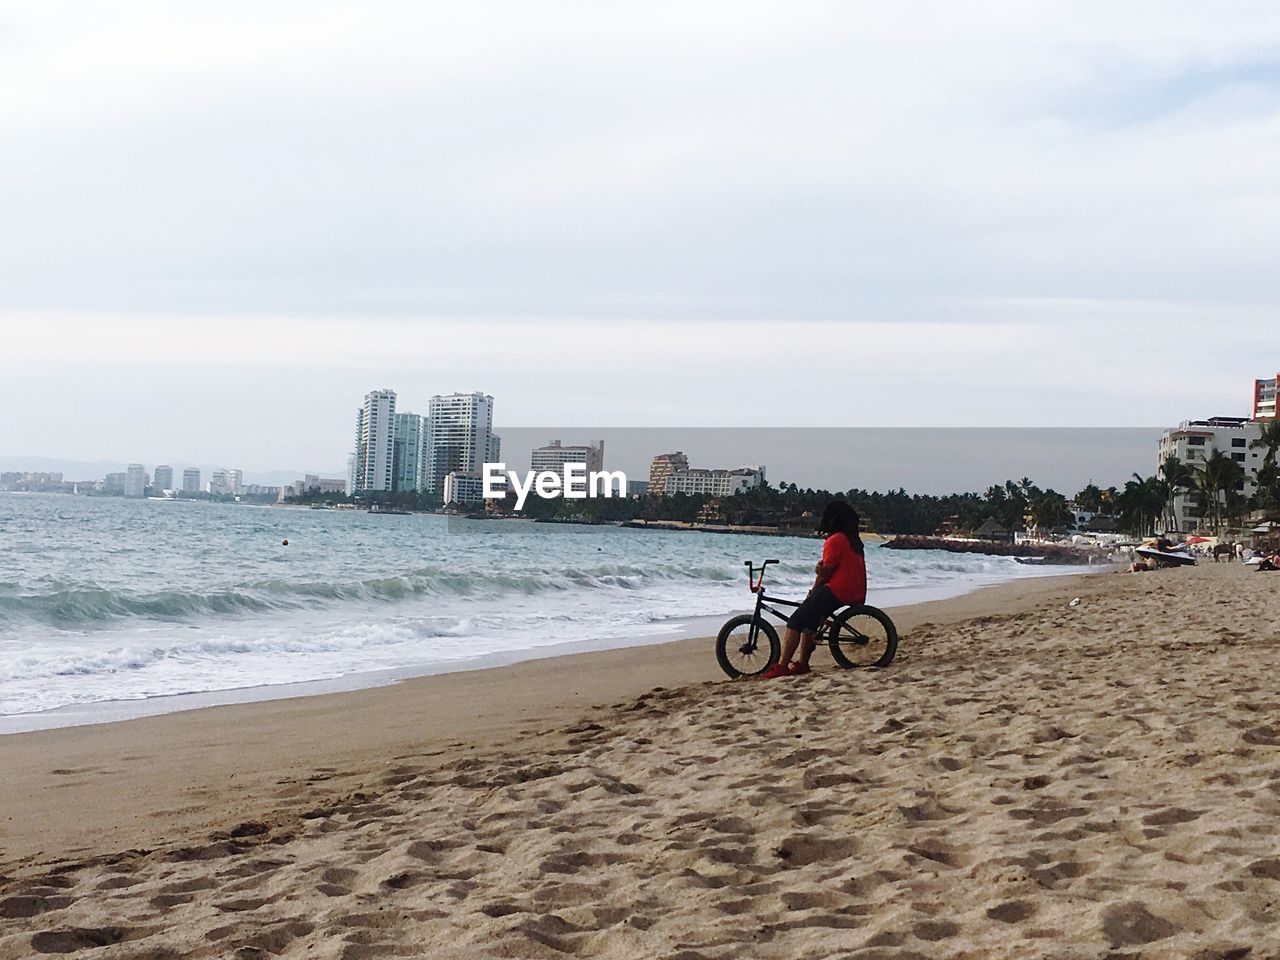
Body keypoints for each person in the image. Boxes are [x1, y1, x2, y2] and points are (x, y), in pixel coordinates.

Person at [760, 500, 867, 679]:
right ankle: (802, 663)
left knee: (795, 622)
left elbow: (825, 573)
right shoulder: (853, 541)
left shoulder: (835, 540)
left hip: (837, 589)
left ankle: (782, 666)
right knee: (809, 622)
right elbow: (837, 567)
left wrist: (813, 590)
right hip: (855, 589)